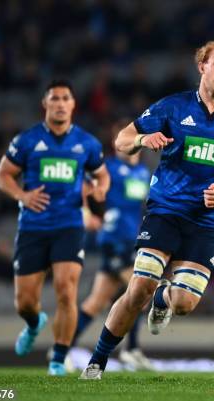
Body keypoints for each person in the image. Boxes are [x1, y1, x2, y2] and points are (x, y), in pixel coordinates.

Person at [80, 40, 214, 380]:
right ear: (202, 66)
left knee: (185, 303)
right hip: (165, 210)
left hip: (207, 220)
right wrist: (141, 141)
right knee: (139, 286)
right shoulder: (173, 107)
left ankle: (164, 299)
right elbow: (121, 139)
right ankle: (97, 361)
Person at [0, 79, 110, 376]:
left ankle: (58, 358)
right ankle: (34, 324)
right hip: (33, 227)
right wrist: (22, 195)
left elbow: (102, 176)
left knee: (66, 289)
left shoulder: (87, 143)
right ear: (45, 104)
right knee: (25, 303)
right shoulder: (27, 141)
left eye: (65, 98)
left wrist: (99, 190)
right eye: (54, 98)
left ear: (73, 105)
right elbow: (2, 175)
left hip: (69, 224)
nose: (60, 103)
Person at [71, 119, 154, 371]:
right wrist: (86, 212)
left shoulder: (143, 172)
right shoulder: (108, 168)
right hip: (113, 239)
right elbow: (80, 184)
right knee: (139, 289)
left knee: (96, 301)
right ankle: (131, 349)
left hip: (132, 239)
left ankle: (63, 347)